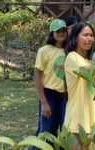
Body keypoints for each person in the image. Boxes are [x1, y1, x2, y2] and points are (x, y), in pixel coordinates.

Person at [64, 22, 95, 149]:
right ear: (75, 38)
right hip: (76, 120)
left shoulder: (87, 60)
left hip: (89, 120)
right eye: (85, 35)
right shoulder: (72, 57)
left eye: (91, 35)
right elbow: (86, 70)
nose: (89, 39)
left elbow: (94, 83)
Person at [32, 19, 68, 149]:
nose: (61, 33)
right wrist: (44, 101)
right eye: (58, 31)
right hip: (49, 94)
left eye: (64, 30)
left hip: (65, 96)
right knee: (45, 131)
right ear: (52, 33)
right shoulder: (44, 50)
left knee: (65, 130)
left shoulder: (70, 51)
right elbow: (37, 75)